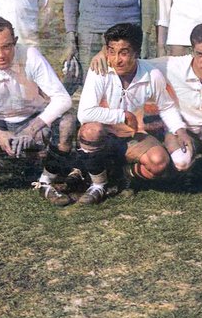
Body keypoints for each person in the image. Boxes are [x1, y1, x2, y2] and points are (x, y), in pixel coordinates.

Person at [90, 23, 202, 202]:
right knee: (181, 162)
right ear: (192, 51)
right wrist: (103, 53)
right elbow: (133, 59)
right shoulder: (172, 66)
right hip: (183, 129)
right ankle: (127, 173)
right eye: (200, 54)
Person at [0, 17, 78, 206]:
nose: (1, 55)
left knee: (67, 123)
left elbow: (63, 99)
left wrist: (32, 128)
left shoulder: (30, 55)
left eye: (6, 47)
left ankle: (48, 178)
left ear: (15, 41)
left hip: (33, 118)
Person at [76, 23, 191, 205]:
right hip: (105, 135)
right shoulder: (99, 69)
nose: (117, 60)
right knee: (91, 131)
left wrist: (180, 130)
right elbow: (84, 113)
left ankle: (124, 175)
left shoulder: (152, 74)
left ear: (136, 52)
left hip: (132, 135)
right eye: (112, 52)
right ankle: (98, 184)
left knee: (159, 162)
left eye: (124, 53)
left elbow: (167, 107)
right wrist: (122, 115)